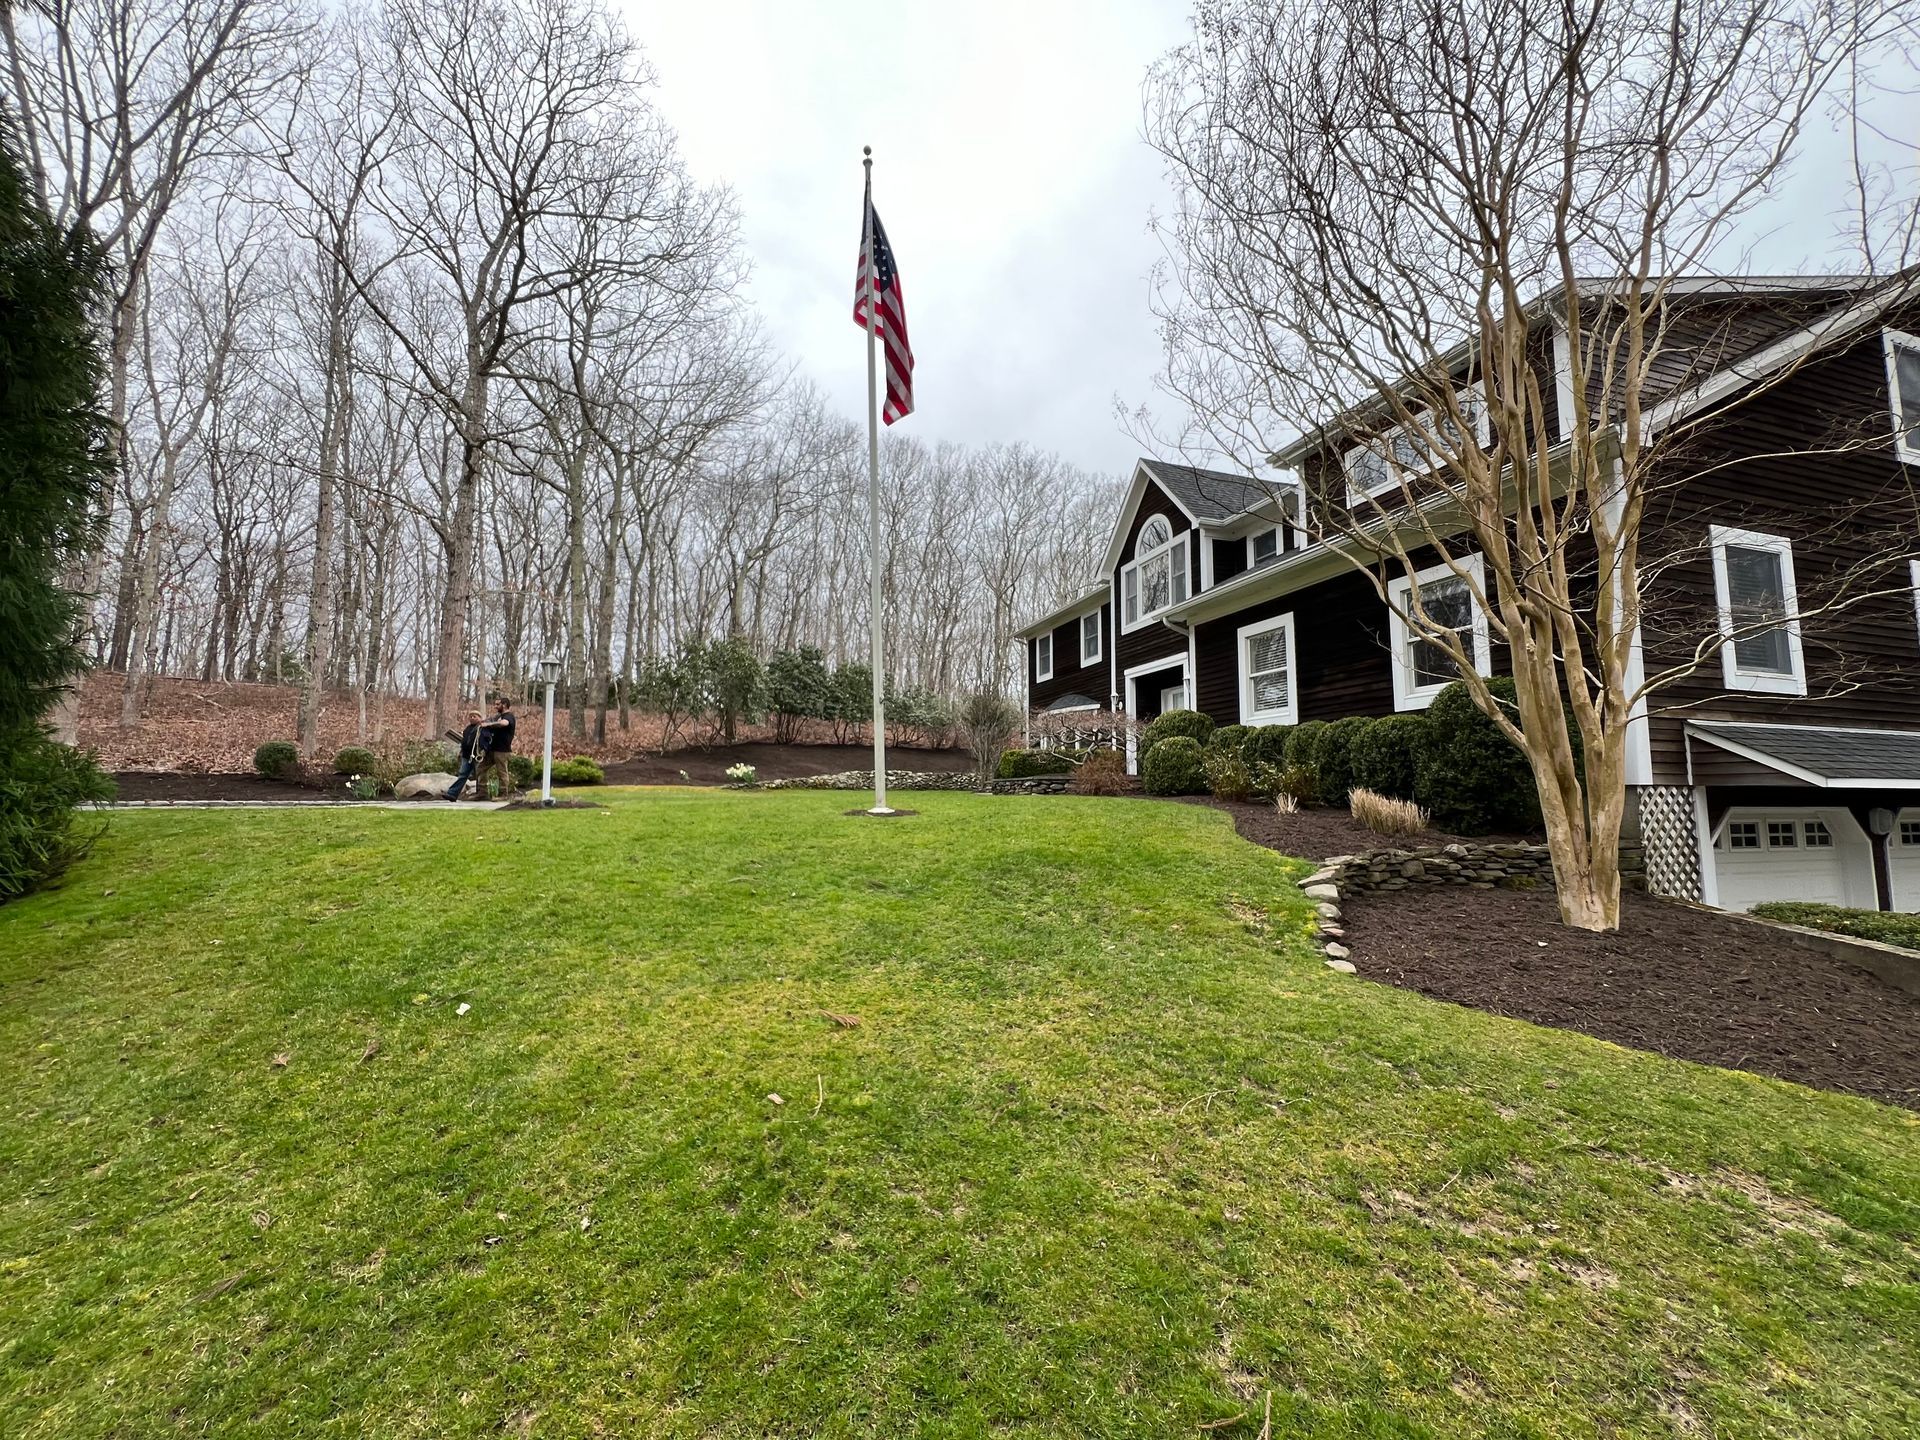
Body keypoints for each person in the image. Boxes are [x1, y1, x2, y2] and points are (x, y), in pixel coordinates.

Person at [478, 696, 517, 798]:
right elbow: (488, 721)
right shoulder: (498, 716)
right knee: (480, 768)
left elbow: (504, 723)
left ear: (504, 705)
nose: (495, 706)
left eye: (497, 704)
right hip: (492, 749)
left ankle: (503, 794)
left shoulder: (509, 716)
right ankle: (482, 793)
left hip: (502, 750)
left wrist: (488, 725)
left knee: (502, 773)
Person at [444, 710, 485, 801]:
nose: (472, 718)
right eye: (470, 716)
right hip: (466, 755)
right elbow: (464, 741)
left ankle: (481, 794)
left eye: (475, 716)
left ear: (480, 718)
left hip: (477, 755)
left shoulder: (482, 728)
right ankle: (452, 794)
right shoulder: (467, 729)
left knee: (480, 775)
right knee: (463, 774)